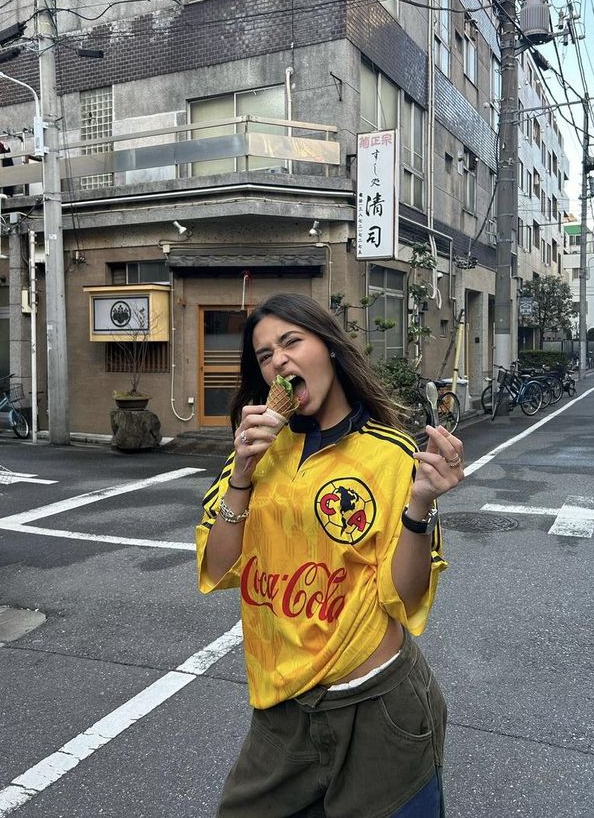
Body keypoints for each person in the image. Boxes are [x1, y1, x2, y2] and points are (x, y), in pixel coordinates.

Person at [195, 294, 465, 817]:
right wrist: (243, 477)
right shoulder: (253, 458)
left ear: (331, 350)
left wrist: (420, 505)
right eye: (265, 354)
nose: (279, 361)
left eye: (292, 341)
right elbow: (217, 566)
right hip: (280, 708)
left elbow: (405, 595)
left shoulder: (390, 456)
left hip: (378, 707)